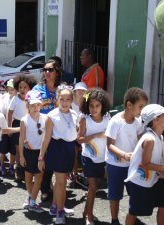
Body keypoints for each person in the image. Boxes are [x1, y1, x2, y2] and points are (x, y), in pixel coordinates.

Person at [105, 87, 148, 225]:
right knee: (115, 195)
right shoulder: (116, 121)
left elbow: (140, 139)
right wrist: (123, 154)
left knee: (135, 193)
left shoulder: (138, 121)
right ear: (129, 105)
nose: (142, 110)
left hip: (132, 165)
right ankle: (114, 219)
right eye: (140, 106)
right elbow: (109, 145)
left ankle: (132, 218)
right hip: (115, 164)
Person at [38, 85, 77, 224]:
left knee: (62, 181)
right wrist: (41, 157)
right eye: (62, 99)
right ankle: (60, 212)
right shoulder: (52, 115)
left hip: (69, 149)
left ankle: (55, 206)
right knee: (61, 182)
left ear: (72, 100)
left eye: (68, 99)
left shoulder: (74, 114)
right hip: (57, 149)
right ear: (57, 99)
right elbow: (46, 138)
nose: (65, 102)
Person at [124, 104, 164, 225]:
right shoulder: (149, 139)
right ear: (156, 119)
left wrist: (160, 172)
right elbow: (145, 164)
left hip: (151, 179)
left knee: (163, 205)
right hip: (140, 181)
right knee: (133, 212)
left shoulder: (159, 137)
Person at [77, 88, 111, 225]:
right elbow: (79, 139)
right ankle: (88, 216)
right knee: (93, 186)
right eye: (91, 105)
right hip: (89, 158)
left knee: (95, 187)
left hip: (103, 158)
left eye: (97, 106)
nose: (94, 109)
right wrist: (96, 135)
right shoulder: (85, 119)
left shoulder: (108, 118)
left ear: (103, 105)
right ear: (86, 105)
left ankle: (86, 211)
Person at [32, 59, 61, 202]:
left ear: (57, 72)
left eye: (50, 70)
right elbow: (30, 107)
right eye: (45, 70)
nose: (47, 72)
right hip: (41, 130)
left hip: (57, 131)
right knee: (42, 159)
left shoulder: (61, 90)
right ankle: (44, 188)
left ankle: (49, 186)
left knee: (52, 160)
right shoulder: (38, 89)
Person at [19, 90, 46, 213]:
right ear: (28, 106)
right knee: (28, 177)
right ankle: (30, 196)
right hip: (28, 152)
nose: (35, 108)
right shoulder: (24, 120)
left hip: (40, 152)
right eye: (32, 105)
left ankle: (33, 201)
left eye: (37, 105)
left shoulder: (45, 118)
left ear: (41, 105)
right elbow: (21, 138)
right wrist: (21, 156)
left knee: (39, 176)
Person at [7, 75, 37, 180]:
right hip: (17, 125)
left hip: (29, 125)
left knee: (28, 147)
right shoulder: (15, 98)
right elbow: (9, 112)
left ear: (30, 88)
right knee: (18, 149)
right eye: (20, 87)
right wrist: (9, 126)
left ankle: (29, 170)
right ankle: (19, 171)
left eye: (25, 87)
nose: (22, 89)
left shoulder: (32, 99)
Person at [0, 79, 16, 176]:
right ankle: (1, 165)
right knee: (3, 148)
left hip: (15, 127)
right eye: (9, 89)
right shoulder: (5, 97)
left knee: (13, 149)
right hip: (5, 127)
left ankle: (11, 166)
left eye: (12, 89)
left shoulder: (18, 98)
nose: (10, 91)